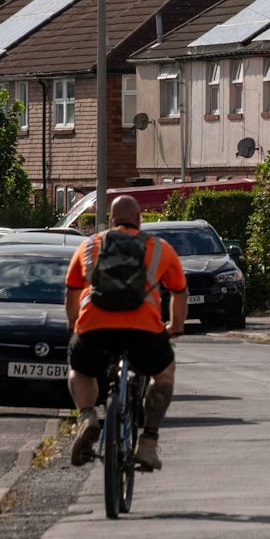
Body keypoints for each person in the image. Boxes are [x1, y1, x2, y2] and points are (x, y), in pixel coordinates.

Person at [65, 195, 186, 471]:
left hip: (95, 327)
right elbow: (180, 292)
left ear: (110, 220)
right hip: (143, 330)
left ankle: (86, 417)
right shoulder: (159, 248)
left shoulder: (89, 246)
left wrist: (74, 326)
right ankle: (148, 443)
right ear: (139, 220)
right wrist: (174, 326)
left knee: (79, 368)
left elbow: (72, 292)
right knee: (164, 373)